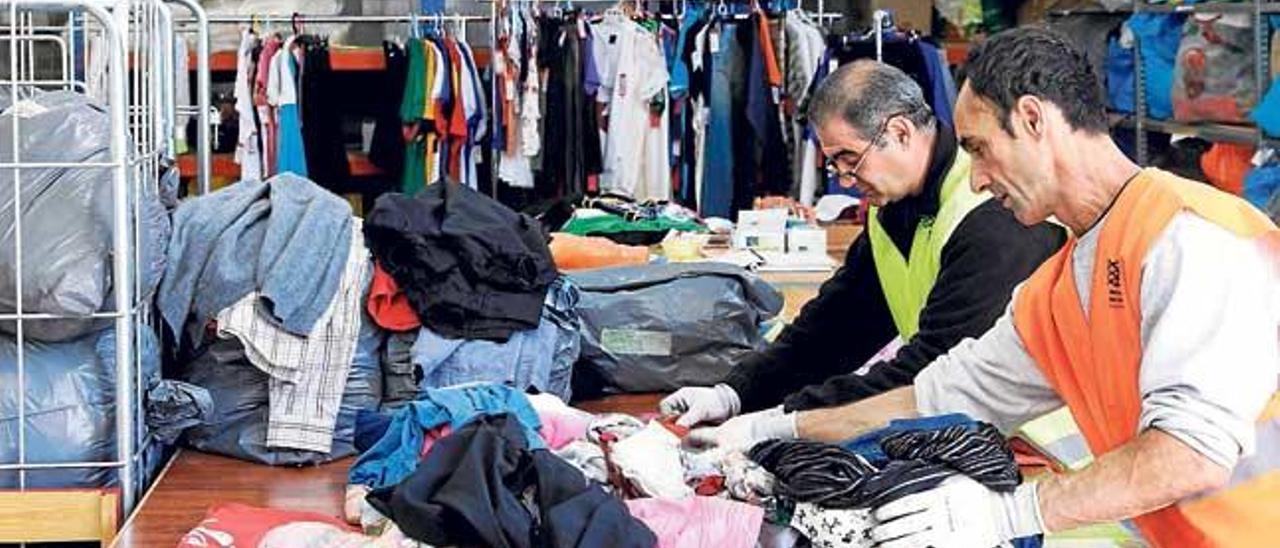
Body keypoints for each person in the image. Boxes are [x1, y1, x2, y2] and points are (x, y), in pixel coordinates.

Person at [697, 27, 1280, 548]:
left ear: (1033, 120)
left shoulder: (1193, 238)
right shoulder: (1056, 288)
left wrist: (1013, 513)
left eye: (979, 148)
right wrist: (768, 427)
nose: (975, 176)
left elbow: (1190, 454)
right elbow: (935, 396)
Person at [659, 61, 1066, 437]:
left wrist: (781, 422)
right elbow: (833, 331)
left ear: (900, 132)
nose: (846, 180)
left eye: (850, 159)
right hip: (970, 433)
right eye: (834, 165)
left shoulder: (993, 218)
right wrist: (734, 394)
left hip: (1047, 451)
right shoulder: (891, 209)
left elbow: (932, 371)